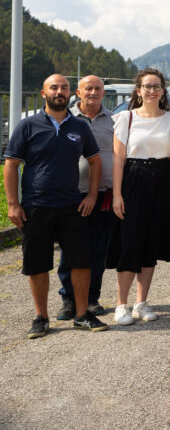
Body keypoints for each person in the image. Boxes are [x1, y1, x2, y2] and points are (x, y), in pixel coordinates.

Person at [5, 74, 106, 338]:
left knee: (81, 261)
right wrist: (13, 204)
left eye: (63, 88)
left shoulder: (80, 127)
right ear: (43, 93)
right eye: (54, 87)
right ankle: (41, 318)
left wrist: (92, 195)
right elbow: (11, 164)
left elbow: (95, 160)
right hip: (35, 206)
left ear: (70, 92)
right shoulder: (28, 126)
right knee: (37, 263)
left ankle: (82, 315)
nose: (59, 91)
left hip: (72, 204)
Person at [108, 69, 170, 326]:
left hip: (162, 181)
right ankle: (121, 305)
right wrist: (117, 194)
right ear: (138, 90)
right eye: (147, 86)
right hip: (133, 180)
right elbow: (118, 159)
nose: (152, 91)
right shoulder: (125, 118)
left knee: (151, 242)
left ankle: (141, 302)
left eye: (157, 86)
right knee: (130, 242)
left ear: (163, 91)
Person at [56, 75, 115, 319]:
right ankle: (68, 299)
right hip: (71, 193)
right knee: (69, 249)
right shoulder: (64, 119)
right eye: (88, 88)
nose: (93, 92)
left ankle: (92, 298)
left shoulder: (114, 120)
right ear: (78, 93)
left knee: (98, 249)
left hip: (104, 193)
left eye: (98, 89)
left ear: (104, 92)